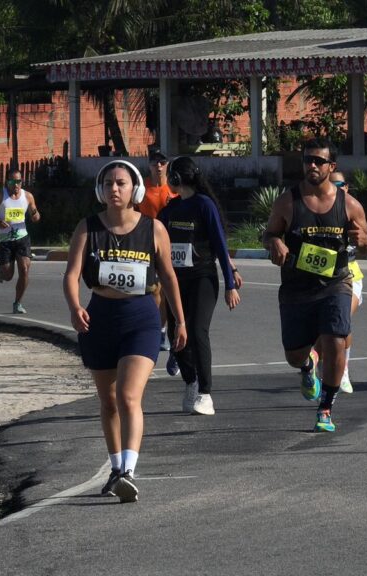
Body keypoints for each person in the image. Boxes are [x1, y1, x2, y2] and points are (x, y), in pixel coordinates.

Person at [62, 160, 187, 503]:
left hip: (141, 318)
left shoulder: (153, 229)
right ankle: (116, 468)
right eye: (108, 184)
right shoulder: (88, 228)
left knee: (129, 396)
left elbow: (169, 277)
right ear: (100, 190)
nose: (114, 189)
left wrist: (179, 320)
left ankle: (129, 471)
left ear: (135, 189)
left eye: (121, 183)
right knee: (108, 401)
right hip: (99, 318)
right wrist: (75, 307)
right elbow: (71, 274)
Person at [263, 139, 367, 433]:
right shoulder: (287, 202)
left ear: (331, 167)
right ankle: (306, 366)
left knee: (336, 339)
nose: (312, 165)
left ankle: (326, 407)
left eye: (319, 161)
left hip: (335, 284)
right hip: (296, 289)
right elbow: (269, 234)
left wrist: (365, 241)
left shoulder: (349, 204)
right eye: (307, 160)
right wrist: (274, 243)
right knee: (294, 355)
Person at [157, 157, 243, 415]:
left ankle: (206, 393)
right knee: (176, 335)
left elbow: (220, 245)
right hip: (175, 282)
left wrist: (230, 284)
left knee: (196, 330)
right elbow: (155, 243)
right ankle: (191, 382)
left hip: (202, 278)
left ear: (176, 178)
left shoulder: (204, 205)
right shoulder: (169, 210)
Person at [328, 171, 367, 394]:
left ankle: (343, 370)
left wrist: (363, 241)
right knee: (323, 329)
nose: (336, 188)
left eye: (340, 184)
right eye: (331, 184)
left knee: (342, 321)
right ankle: (315, 365)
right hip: (324, 276)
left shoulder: (353, 208)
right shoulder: (318, 208)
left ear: (347, 186)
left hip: (351, 275)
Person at [138, 148, 179, 353]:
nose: (159, 166)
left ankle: (162, 330)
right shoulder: (141, 188)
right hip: (145, 242)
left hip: (170, 244)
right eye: (155, 163)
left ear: (167, 165)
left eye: (162, 162)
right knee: (153, 289)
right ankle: (154, 328)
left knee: (164, 289)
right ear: (149, 165)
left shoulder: (173, 188)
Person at [0, 169, 40, 314]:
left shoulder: (28, 196)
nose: (16, 185)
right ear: (7, 182)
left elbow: (36, 217)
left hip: (22, 238)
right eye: (12, 181)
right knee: (8, 276)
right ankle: (0, 268)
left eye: (18, 181)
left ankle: (17, 303)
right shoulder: (0, 196)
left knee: (24, 270)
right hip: (5, 240)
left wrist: (34, 213)